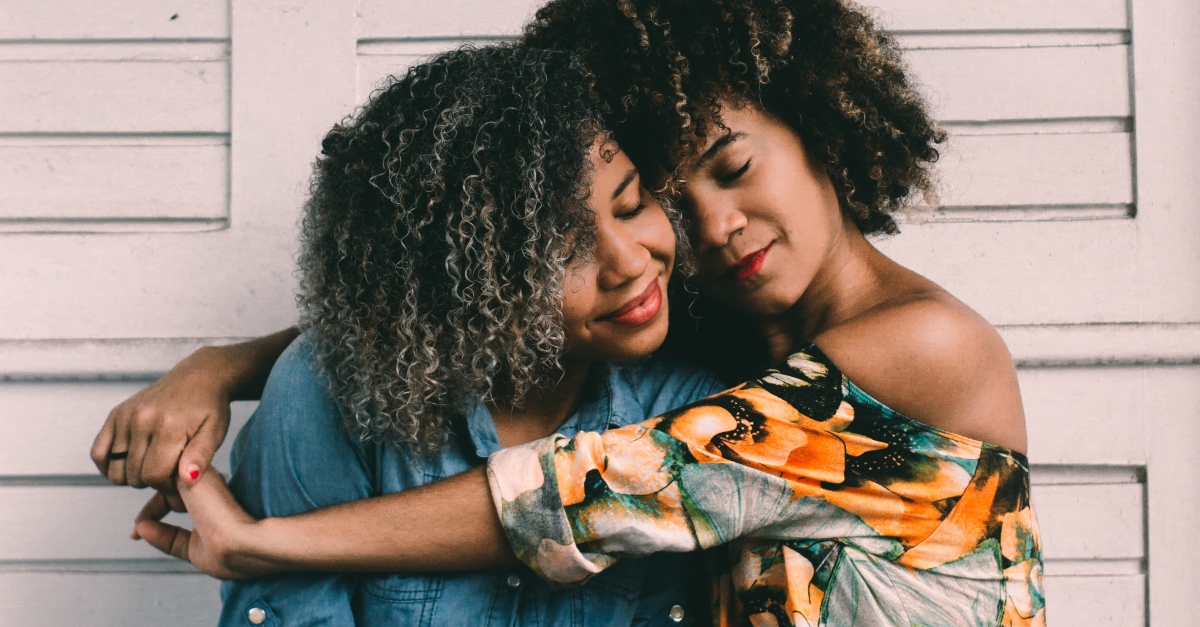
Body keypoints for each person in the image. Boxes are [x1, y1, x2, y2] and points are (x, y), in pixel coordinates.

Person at [95, 1, 1045, 625]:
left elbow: (606, 489)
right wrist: (221, 366)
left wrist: (264, 543)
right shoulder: (742, 345)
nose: (714, 227)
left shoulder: (929, 347)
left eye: (735, 166)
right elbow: (450, 314)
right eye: (669, 197)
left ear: (819, 121)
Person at [100, 44, 736, 626]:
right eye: (562, 252)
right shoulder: (330, 400)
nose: (631, 261)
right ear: (463, 280)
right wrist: (218, 366)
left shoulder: (697, 406)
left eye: (631, 206)